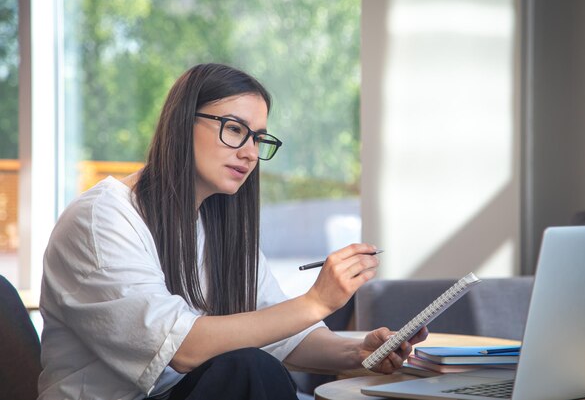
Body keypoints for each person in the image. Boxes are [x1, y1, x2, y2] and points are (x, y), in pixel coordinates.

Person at [37, 63, 428, 400]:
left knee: (252, 366)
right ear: (181, 123)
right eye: (234, 129)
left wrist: (359, 352)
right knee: (248, 370)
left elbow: (280, 332)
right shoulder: (101, 218)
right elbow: (181, 350)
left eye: (258, 138)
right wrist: (317, 302)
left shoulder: (217, 222)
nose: (250, 153)